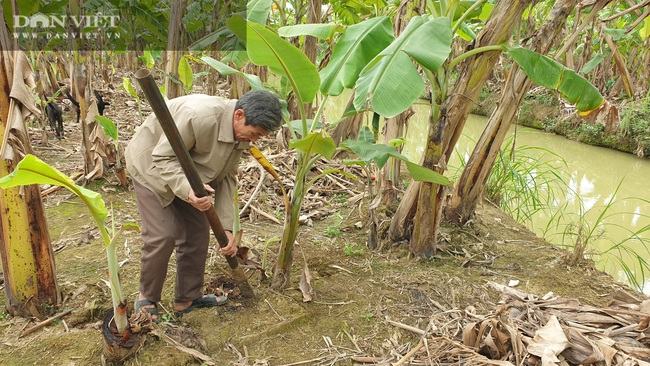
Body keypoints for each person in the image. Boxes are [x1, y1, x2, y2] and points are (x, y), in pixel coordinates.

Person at [125, 90, 283, 320]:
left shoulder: (241, 135)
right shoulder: (198, 116)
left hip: (193, 176)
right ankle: (147, 298)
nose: (255, 140)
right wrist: (186, 190)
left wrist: (226, 227)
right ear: (239, 115)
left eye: (260, 136)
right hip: (152, 167)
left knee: (197, 234)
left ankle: (187, 298)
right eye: (254, 133)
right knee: (163, 234)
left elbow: (227, 177)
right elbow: (163, 157)